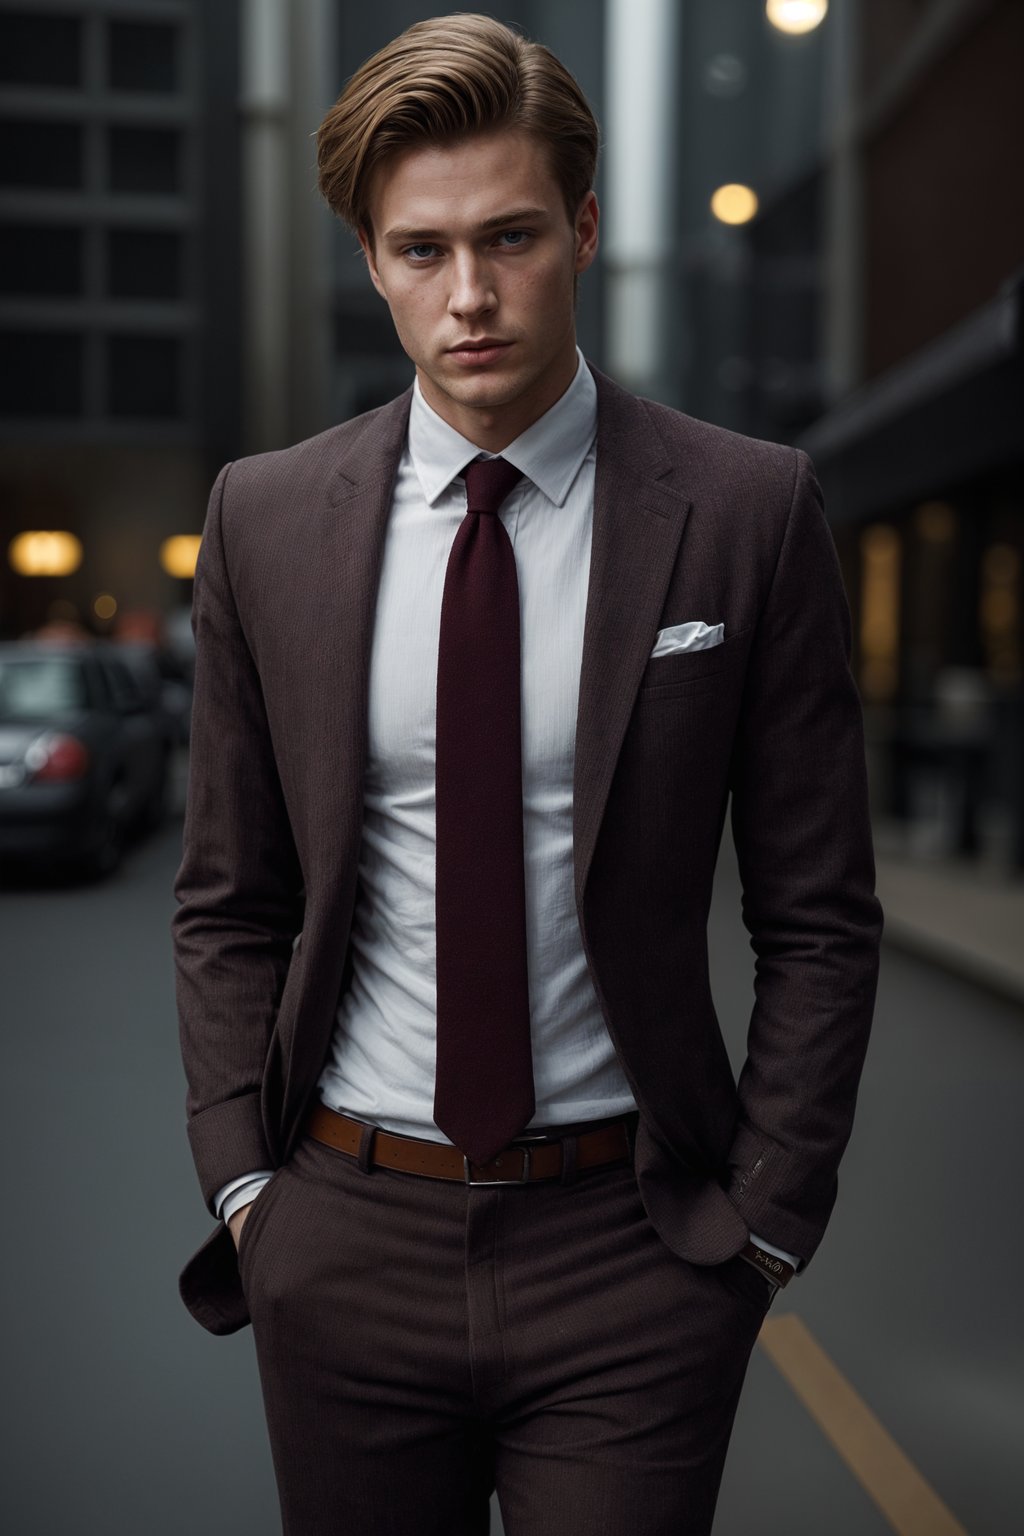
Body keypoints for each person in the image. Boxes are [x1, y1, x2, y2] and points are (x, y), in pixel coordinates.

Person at [172, 14, 883, 1534]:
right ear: (372, 261)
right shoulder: (268, 521)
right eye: (421, 251)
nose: (470, 296)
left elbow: (820, 915)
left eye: (509, 237)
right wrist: (248, 1193)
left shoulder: (748, 513)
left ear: (587, 227)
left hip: (632, 1249)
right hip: (344, 1233)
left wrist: (762, 1225)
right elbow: (231, 900)